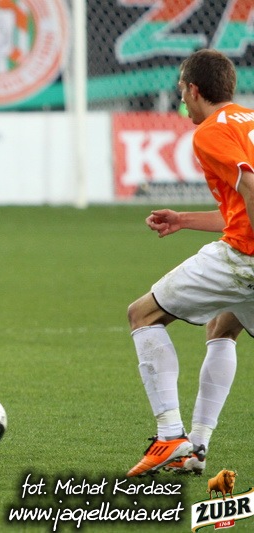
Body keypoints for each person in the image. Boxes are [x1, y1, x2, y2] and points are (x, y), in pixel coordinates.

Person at [126, 49, 254, 477]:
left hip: (243, 257)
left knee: (143, 314)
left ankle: (170, 436)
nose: (181, 99)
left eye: (182, 89)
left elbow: (251, 188)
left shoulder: (211, 132)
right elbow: (238, 208)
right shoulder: (248, 120)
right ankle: (195, 448)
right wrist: (183, 220)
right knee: (223, 327)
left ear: (195, 90)